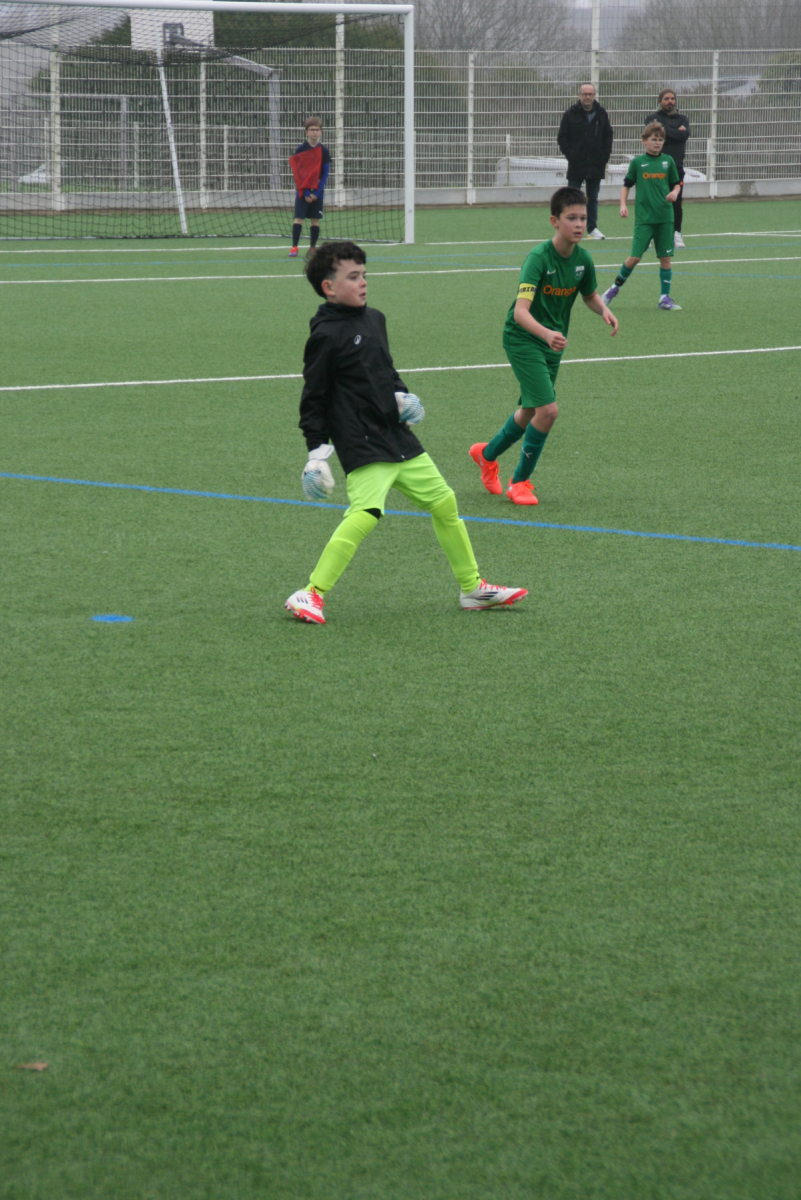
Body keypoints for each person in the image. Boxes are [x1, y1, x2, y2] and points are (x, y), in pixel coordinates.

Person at [284, 240, 528, 624]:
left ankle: (472, 589)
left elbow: (385, 369)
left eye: (364, 274)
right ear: (328, 287)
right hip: (361, 441)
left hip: (397, 437)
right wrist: (316, 454)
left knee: (444, 502)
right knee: (366, 513)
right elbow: (313, 398)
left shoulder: (374, 319)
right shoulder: (325, 335)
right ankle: (311, 592)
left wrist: (401, 395)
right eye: (353, 277)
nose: (363, 282)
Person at [469, 187, 618, 507]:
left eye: (583, 218)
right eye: (571, 218)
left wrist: (603, 310)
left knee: (530, 411)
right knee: (548, 411)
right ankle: (519, 483)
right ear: (554, 221)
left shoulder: (583, 260)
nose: (579, 224)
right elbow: (520, 313)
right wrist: (547, 333)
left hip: (552, 345)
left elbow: (589, 295)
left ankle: (486, 454)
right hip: (523, 338)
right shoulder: (538, 259)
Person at [602, 122, 682, 312]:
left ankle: (664, 298)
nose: (657, 142)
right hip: (644, 219)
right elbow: (627, 185)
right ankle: (612, 290)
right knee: (635, 257)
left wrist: (675, 192)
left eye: (660, 140)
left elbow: (676, 183)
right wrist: (623, 205)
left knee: (665, 258)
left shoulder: (668, 161)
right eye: (654, 139)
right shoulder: (638, 163)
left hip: (665, 217)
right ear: (644, 141)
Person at [557, 82, 613, 240]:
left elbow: (608, 136)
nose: (587, 97)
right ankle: (567, 227)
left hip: (596, 164)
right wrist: (571, 155)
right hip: (576, 164)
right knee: (571, 197)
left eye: (590, 94)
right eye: (584, 94)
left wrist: (604, 157)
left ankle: (592, 228)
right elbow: (562, 137)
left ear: (594, 95)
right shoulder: (570, 114)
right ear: (579, 95)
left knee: (593, 198)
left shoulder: (602, 114)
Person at [645, 89, 690, 248]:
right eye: (666, 98)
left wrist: (665, 131)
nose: (670, 101)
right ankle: (650, 234)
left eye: (672, 98)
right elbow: (656, 134)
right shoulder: (652, 118)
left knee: (676, 202)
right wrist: (676, 132)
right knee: (654, 201)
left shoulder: (683, 118)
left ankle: (676, 233)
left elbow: (684, 135)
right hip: (655, 167)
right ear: (660, 101)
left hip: (676, 168)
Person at [288, 117, 331, 259]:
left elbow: (325, 173)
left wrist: (317, 193)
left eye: (317, 130)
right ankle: (294, 247)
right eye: (312, 130)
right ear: (306, 132)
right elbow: (298, 173)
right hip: (303, 191)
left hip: (317, 193)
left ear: (321, 132)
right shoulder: (301, 149)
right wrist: (305, 192)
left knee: (315, 220)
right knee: (298, 219)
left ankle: (312, 247)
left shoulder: (324, 151)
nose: (314, 132)